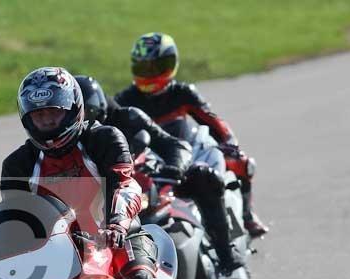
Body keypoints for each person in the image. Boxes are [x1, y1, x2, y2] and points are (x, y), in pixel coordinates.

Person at [0, 67, 200, 279]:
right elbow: (14, 217)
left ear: (73, 109)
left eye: (53, 112)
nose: (47, 121)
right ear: (27, 118)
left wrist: (117, 223)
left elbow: (126, 184)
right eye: (39, 115)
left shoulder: (103, 138)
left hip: (120, 237)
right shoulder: (18, 164)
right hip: (62, 252)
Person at [75, 74, 243, 272]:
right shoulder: (61, 140)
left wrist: (174, 168)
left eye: (86, 114)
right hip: (103, 197)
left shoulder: (129, 118)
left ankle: (225, 255)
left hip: (154, 175)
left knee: (205, 178)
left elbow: (175, 145)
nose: (83, 122)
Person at [114, 32, 269, 239]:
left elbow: (214, 121)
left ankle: (247, 215)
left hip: (188, 154)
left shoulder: (183, 92)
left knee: (242, 162)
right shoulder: (124, 99)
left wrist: (229, 143)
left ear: (170, 65)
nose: (149, 74)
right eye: (144, 68)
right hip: (148, 161)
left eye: (155, 67)